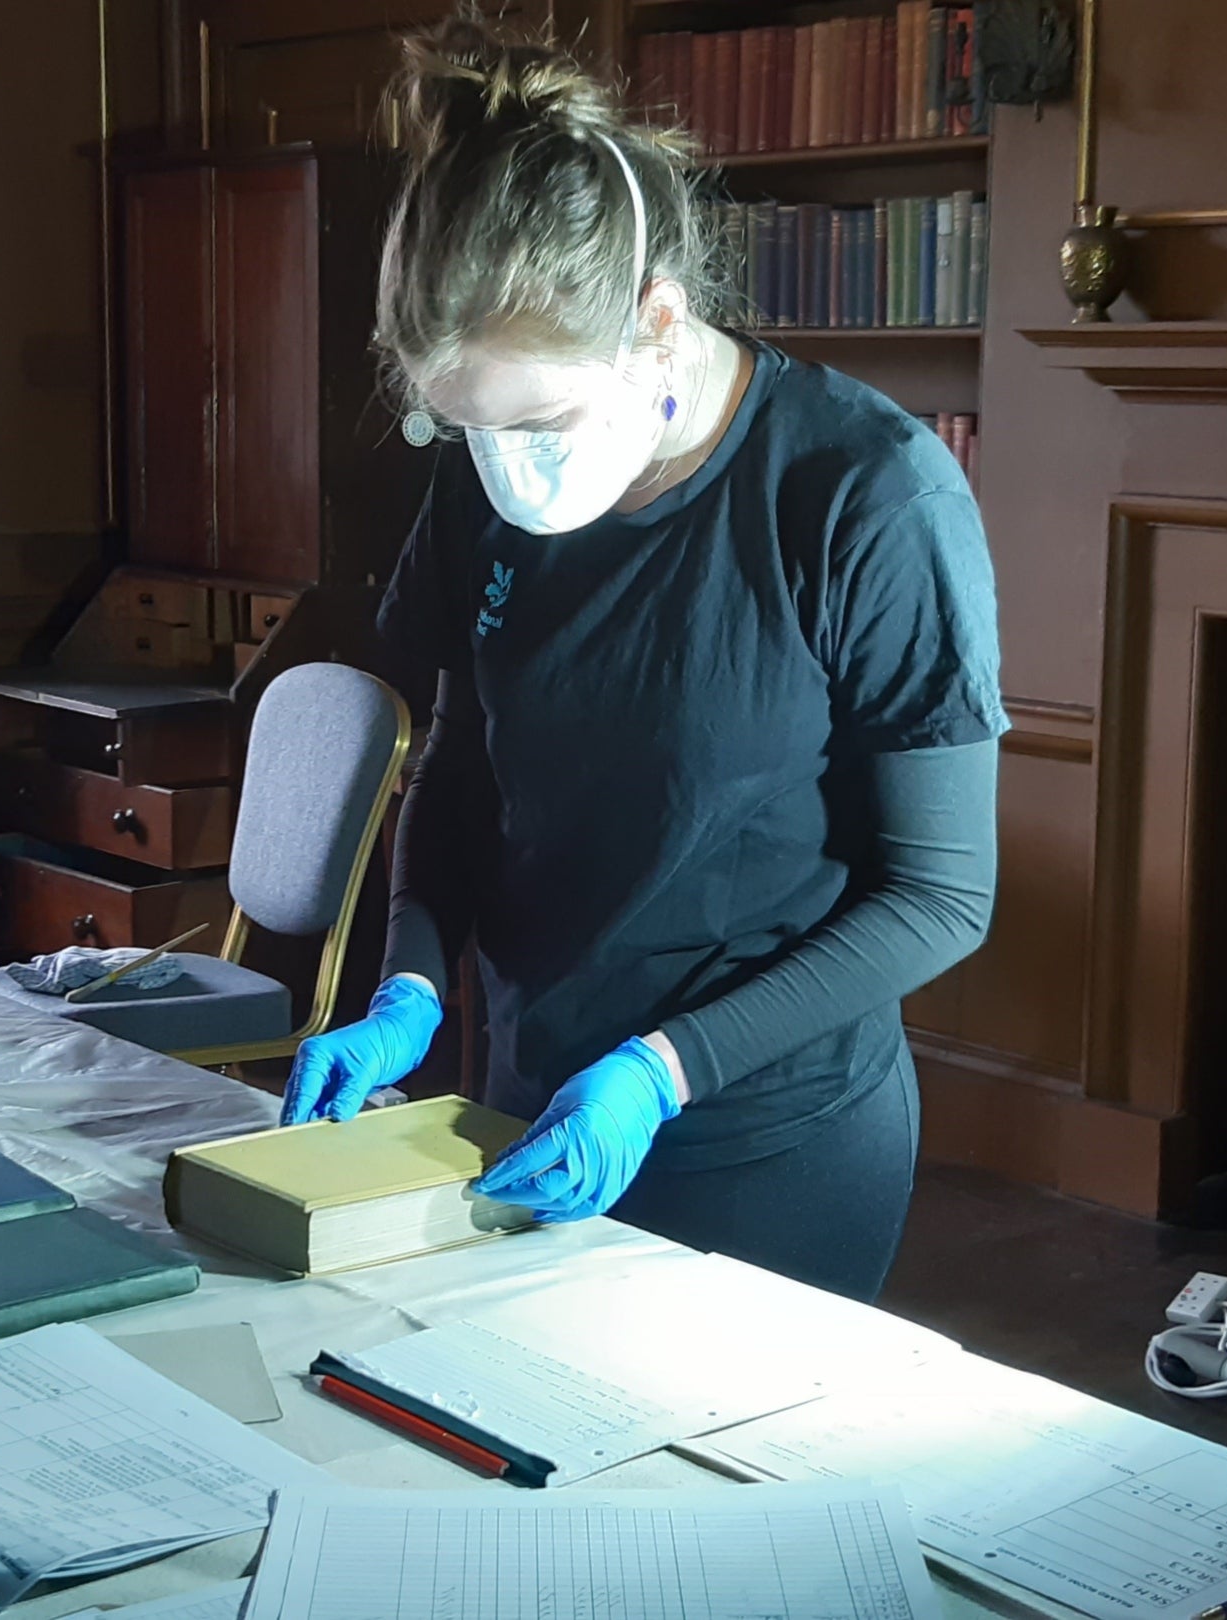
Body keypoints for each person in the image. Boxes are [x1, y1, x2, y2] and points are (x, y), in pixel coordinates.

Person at [281, 17, 1004, 1304]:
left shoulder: (864, 494)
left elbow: (941, 896)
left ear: (655, 320)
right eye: (463, 430)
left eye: (537, 421)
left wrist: (664, 1067)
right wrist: (406, 977)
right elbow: (464, 765)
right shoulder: (484, 487)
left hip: (762, 1129)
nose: (505, 467)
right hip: (517, 1088)